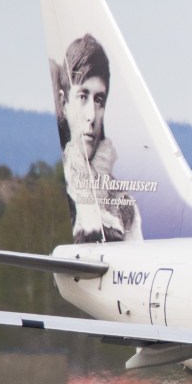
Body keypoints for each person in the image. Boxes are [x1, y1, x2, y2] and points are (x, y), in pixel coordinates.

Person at [52, 33, 142, 243]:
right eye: (83, 97)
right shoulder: (66, 196)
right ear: (64, 104)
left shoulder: (124, 205)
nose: (92, 115)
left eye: (99, 100)